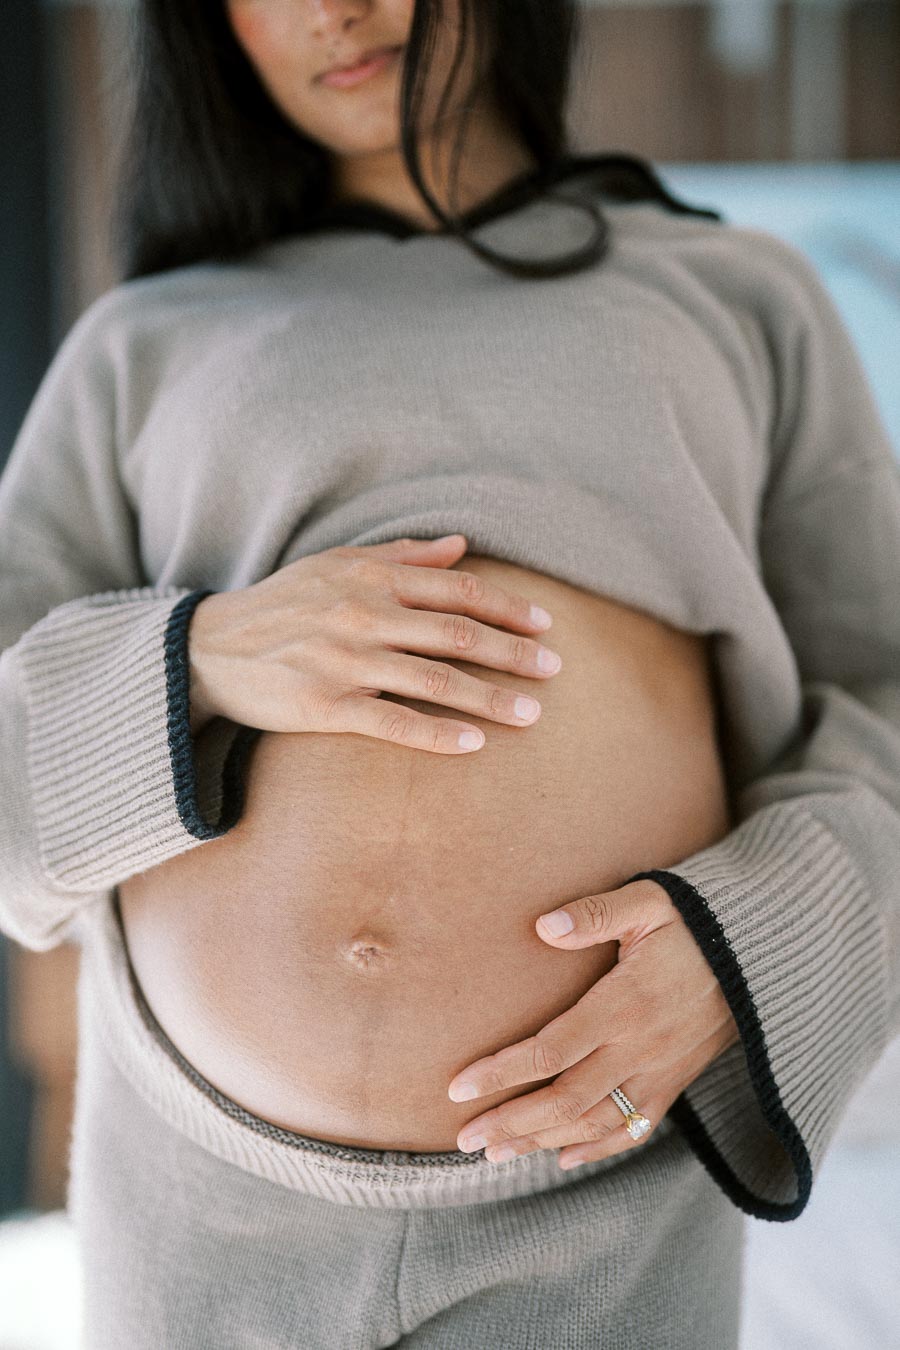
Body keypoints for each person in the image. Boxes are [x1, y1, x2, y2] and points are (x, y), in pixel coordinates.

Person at [1, 1, 898, 1346]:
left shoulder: (738, 292)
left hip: (609, 1191)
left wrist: (742, 954)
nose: (330, 11)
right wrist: (200, 655)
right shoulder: (145, 340)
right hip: (202, 1221)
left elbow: (885, 692)